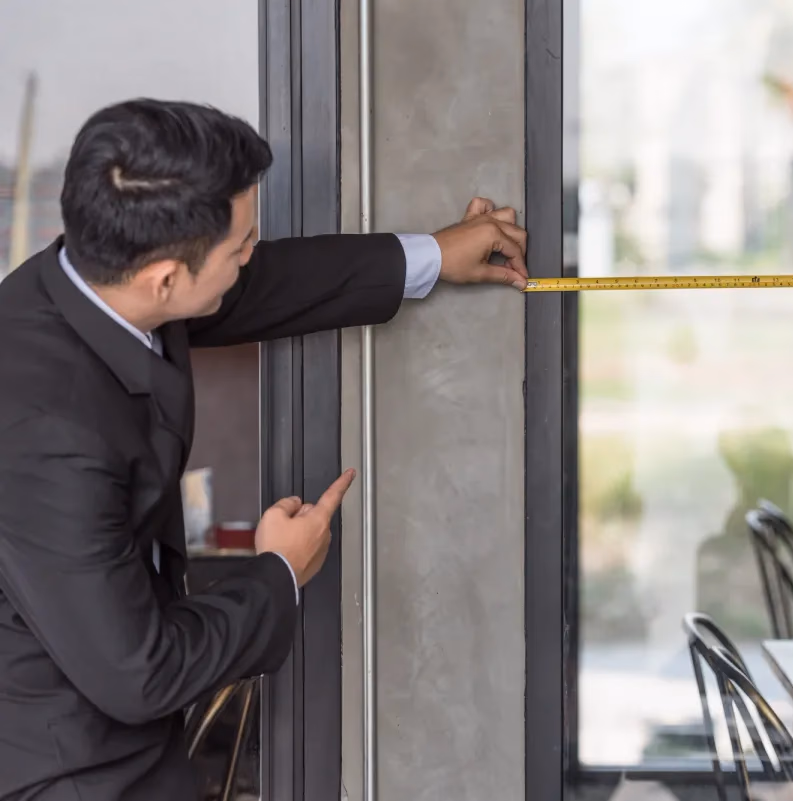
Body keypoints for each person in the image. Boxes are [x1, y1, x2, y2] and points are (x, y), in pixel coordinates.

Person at [0, 98, 528, 801]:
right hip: (69, 762)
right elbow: (140, 673)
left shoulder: (81, 279)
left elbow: (250, 288)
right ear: (164, 276)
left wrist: (429, 254)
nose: (251, 254)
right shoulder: (47, 434)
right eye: (240, 245)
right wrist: (280, 568)